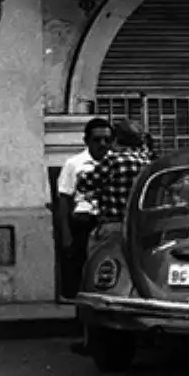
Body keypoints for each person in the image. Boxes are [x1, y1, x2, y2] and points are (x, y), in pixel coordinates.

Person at [54, 117, 114, 300]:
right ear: (86, 141)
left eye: (107, 140)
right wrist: (65, 233)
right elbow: (64, 199)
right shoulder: (74, 164)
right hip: (84, 218)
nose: (102, 144)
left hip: (110, 218)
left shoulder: (117, 162)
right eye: (97, 140)